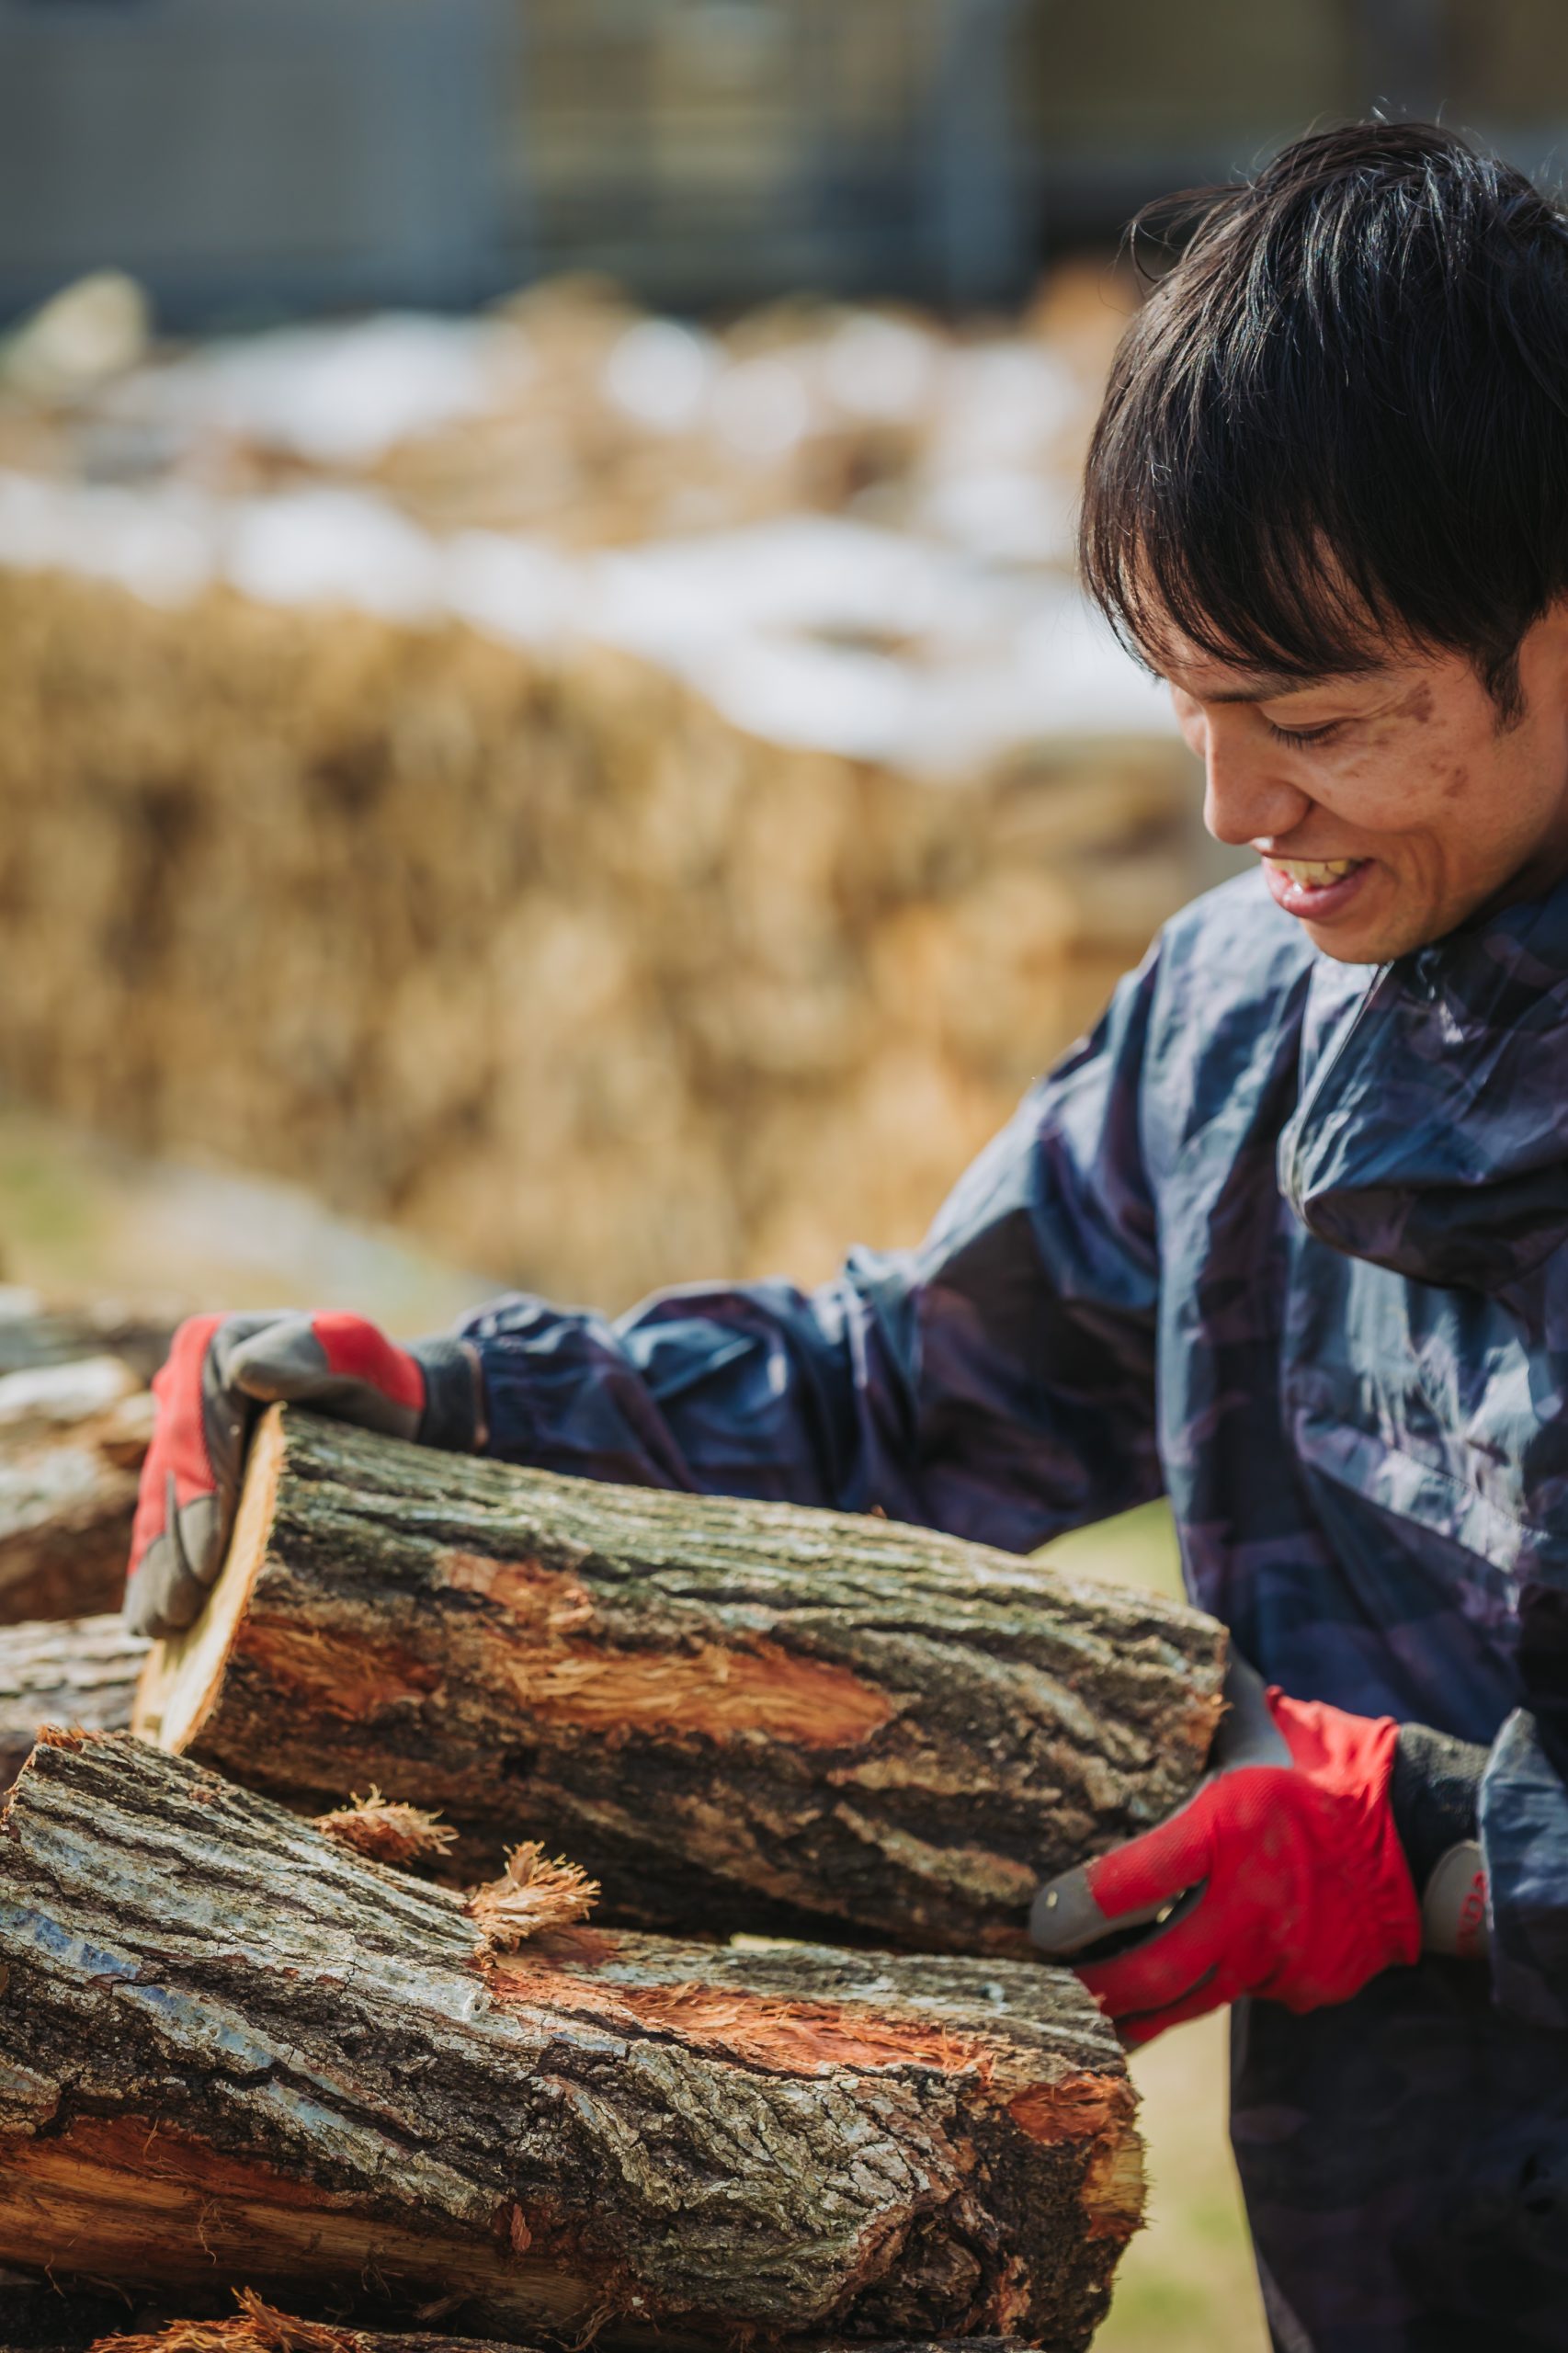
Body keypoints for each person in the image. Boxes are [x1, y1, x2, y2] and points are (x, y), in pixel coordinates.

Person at [126, 122, 1568, 2349]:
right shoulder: (1241, 1018)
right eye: (1189, 710)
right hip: (1396, 2256)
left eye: (1316, 721)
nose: (1229, 809)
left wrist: (1459, 1856)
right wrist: (471, 1403)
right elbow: (916, 1390)